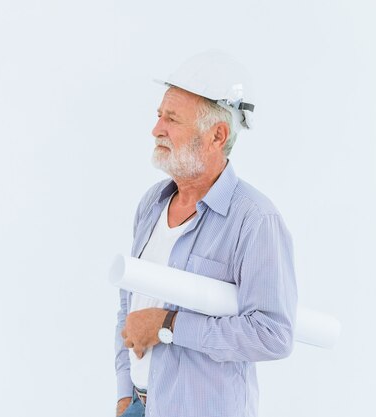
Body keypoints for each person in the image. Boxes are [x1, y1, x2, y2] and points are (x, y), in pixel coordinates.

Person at [114, 51, 298, 417]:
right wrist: (124, 395)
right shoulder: (152, 203)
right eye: (158, 116)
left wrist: (168, 325)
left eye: (172, 119)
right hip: (138, 405)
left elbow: (273, 334)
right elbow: (128, 305)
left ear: (217, 135)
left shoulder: (255, 220)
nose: (156, 129)